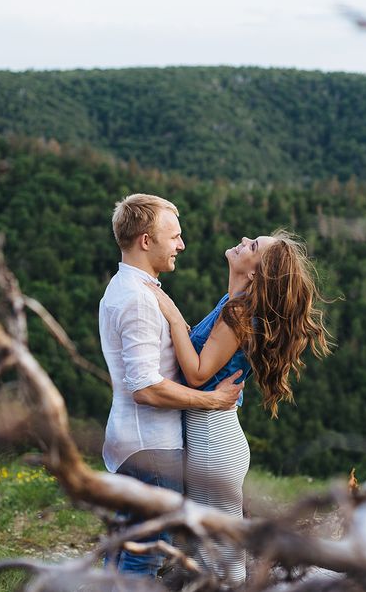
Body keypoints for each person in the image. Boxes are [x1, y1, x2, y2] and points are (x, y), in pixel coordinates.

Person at [147, 230, 331, 584]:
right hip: (214, 437)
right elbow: (203, 353)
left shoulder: (238, 312)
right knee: (212, 546)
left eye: (253, 246)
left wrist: (170, 314)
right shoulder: (234, 305)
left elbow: (198, 374)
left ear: (257, 273)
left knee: (222, 552)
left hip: (213, 442)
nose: (244, 239)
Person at [99, 193, 244, 578]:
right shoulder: (139, 300)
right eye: (174, 236)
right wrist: (211, 400)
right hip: (152, 446)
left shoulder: (129, 288)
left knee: (126, 540)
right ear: (146, 240)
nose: (181, 245)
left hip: (132, 439)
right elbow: (145, 387)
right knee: (144, 554)